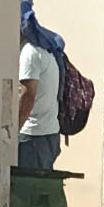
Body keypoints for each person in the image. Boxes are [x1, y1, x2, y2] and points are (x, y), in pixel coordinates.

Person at [10, 11, 62, 176]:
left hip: (33, 137)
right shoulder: (43, 49)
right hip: (48, 134)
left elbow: (28, 96)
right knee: (41, 192)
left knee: (29, 192)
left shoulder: (29, 53)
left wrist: (12, 131)